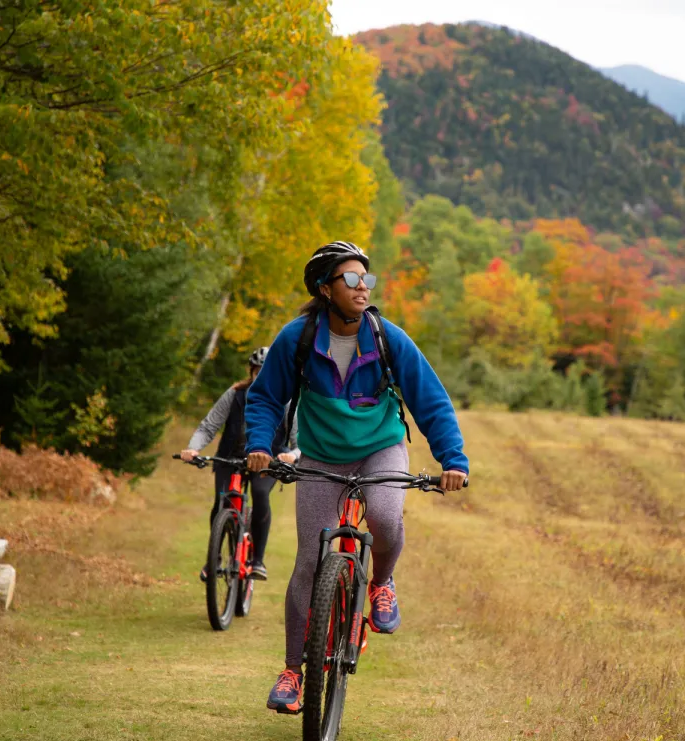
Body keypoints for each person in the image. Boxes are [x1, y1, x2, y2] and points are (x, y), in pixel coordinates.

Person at [244, 241, 469, 714]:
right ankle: (292, 672)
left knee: (386, 518)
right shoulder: (298, 338)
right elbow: (264, 398)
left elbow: (431, 401)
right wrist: (260, 446)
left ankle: (381, 582)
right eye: (350, 279)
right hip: (322, 457)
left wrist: (453, 460)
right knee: (309, 559)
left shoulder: (389, 338)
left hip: (380, 448)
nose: (362, 286)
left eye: (366, 277)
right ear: (326, 289)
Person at [180, 347, 298, 582]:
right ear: (251, 372)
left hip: (269, 462)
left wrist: (292, 455)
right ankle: (214, 559)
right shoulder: (234, 394)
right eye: (258, 372)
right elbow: (208, 426)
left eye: (268, 372)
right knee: (222, 500)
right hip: (230, 458)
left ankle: (257, 561)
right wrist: (194, 448)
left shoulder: (286, 402)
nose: (262, 377)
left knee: (260, 494)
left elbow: (300, 440)